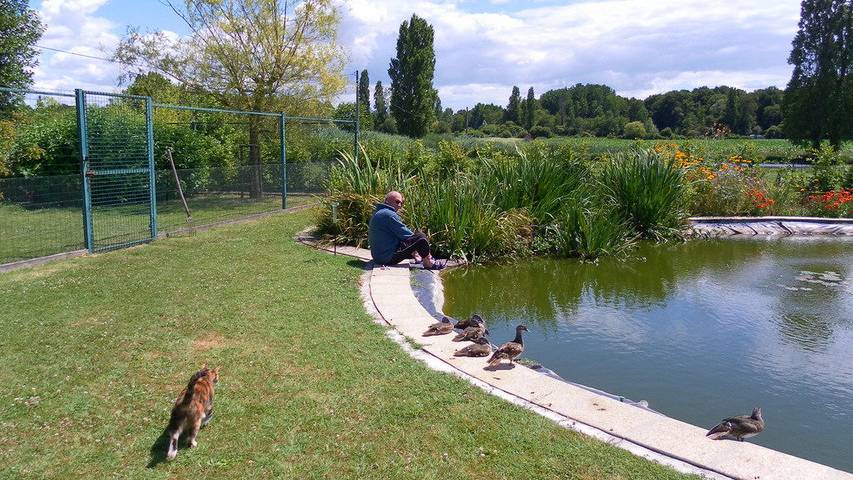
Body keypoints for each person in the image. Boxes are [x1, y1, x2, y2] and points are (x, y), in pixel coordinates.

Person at [368, 191, 444, 269]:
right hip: (387, 258)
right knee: (421, 237)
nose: (399, 205)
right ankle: (428, 262)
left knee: (413, 241)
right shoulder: (389, 215)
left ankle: (420, 258)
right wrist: (421, 250)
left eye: (401, 203)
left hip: (379, 256)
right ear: (387, 200)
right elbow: (408, 235)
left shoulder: (378, 212)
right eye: (397, 202)